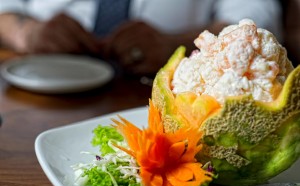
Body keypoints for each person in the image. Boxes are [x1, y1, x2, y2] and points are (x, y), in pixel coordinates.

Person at [0, 0, 283, 76]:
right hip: (38, 78)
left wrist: (176, 44)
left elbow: (256, 20)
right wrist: (24, 32)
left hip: (161, 93)